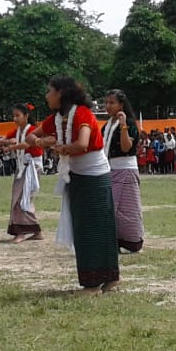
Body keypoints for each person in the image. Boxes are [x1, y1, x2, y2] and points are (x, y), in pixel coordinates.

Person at [28, 76, 120, 294]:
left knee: (98, 228)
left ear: (61, 93)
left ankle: (106, 280)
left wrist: (60, 147)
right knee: (84, 228)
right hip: (76, 176)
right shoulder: (56, 118)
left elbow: (82, 144)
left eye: (50, 91)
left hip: (95, 177)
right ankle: (94, 280)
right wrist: (43, 141)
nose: (46, 96)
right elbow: (32, 135)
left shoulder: (82, 114)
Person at [103, 89, 145, 254]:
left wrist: (123, 126)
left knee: (127, 209)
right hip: (109, 169)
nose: (108, 106)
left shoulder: (130, 124)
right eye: (106, 103)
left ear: (121, 105)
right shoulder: (107, 126)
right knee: (109, 207)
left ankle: (132, 241)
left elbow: (126, 147)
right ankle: (113, 240)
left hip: (125, 169)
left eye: (111, 103)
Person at [2, 102, 44, 243]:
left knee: (22, 199)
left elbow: (27, 144)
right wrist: (7, 141)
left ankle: (22, 232)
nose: (15, 119)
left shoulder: (32, 129)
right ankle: (35, 231)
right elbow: (0, 141)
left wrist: (10, 146)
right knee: (20, 199)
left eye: (17, 115)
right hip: (22, 168)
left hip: (32, 167)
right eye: (13, 116)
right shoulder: (17, 131)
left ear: (26, 116)